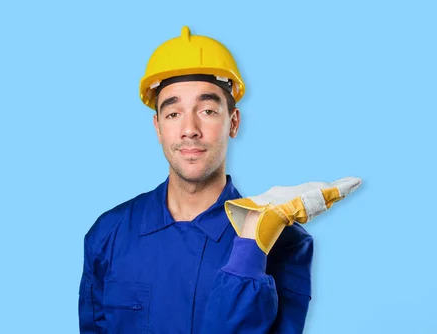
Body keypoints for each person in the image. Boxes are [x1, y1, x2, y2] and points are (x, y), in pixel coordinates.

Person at [77, 26, 357, 333]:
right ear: (157, 128)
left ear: (233, 123)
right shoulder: (108, 234)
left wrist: (250, 245)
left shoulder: (284, 243)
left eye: (208, 110)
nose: (189, 129)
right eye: (173, 114)